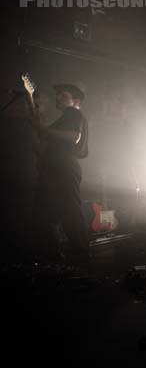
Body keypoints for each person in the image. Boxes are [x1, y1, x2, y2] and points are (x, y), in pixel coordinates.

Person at [31, 83, 89, 270]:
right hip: (56, 169)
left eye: (63, 96)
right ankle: (58, 261)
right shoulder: (65, 118)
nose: (58, 98)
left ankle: (78, 263)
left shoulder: (74, 113)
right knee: (46, 215)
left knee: (69, 215)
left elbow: (74, 137)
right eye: (57, 96)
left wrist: (43, 128)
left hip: (63, 169)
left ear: (76, 101)